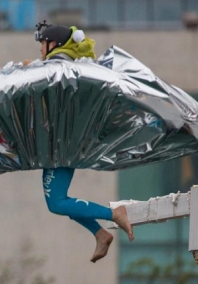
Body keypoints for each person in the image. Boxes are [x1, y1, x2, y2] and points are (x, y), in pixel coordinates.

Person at [34, 22, 134, 262]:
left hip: (62, 144)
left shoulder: (59, 64)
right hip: (62, 142)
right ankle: (99, 233)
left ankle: (114, 215)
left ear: (53, 45)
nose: (40, 51)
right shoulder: (63, 63)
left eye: (42, 45)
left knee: (57, 202)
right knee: (59, 199)